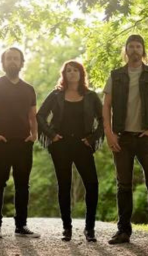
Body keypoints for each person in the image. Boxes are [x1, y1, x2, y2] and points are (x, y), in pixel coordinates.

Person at [103, 34, 148, 244]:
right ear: (126, 51)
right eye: (131, 46)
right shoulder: (115, 75)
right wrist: (109, 133)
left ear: (143, 51)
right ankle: (123, 231)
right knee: (123, 185)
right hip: (122, 137)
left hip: (146, 138)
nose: (134, 50)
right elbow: (106, 106)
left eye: (138, 46)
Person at [37, 60, 104, 242]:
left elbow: (104, 119)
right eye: (68, 70)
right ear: (64, 74)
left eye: (75, 70)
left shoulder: (91, 96)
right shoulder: (56, 94)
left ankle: (89, 229)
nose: (72, 73)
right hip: (61, 146)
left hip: (83, 146)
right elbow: (40, 116)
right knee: (64, 186)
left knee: (92, 185)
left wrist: (91, 139)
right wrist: (51, 135)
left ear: (81, 74)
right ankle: (67, 228)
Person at [0, 47, 40, 238]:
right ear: (3, 63)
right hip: (1, 143)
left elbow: (33, 116)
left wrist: (34, 135)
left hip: (23, 143)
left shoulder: (28, 89)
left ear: (22, 63)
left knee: (23, 185)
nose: (12, 61)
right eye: (9, 58)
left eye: (16, 58)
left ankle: (21, 226)